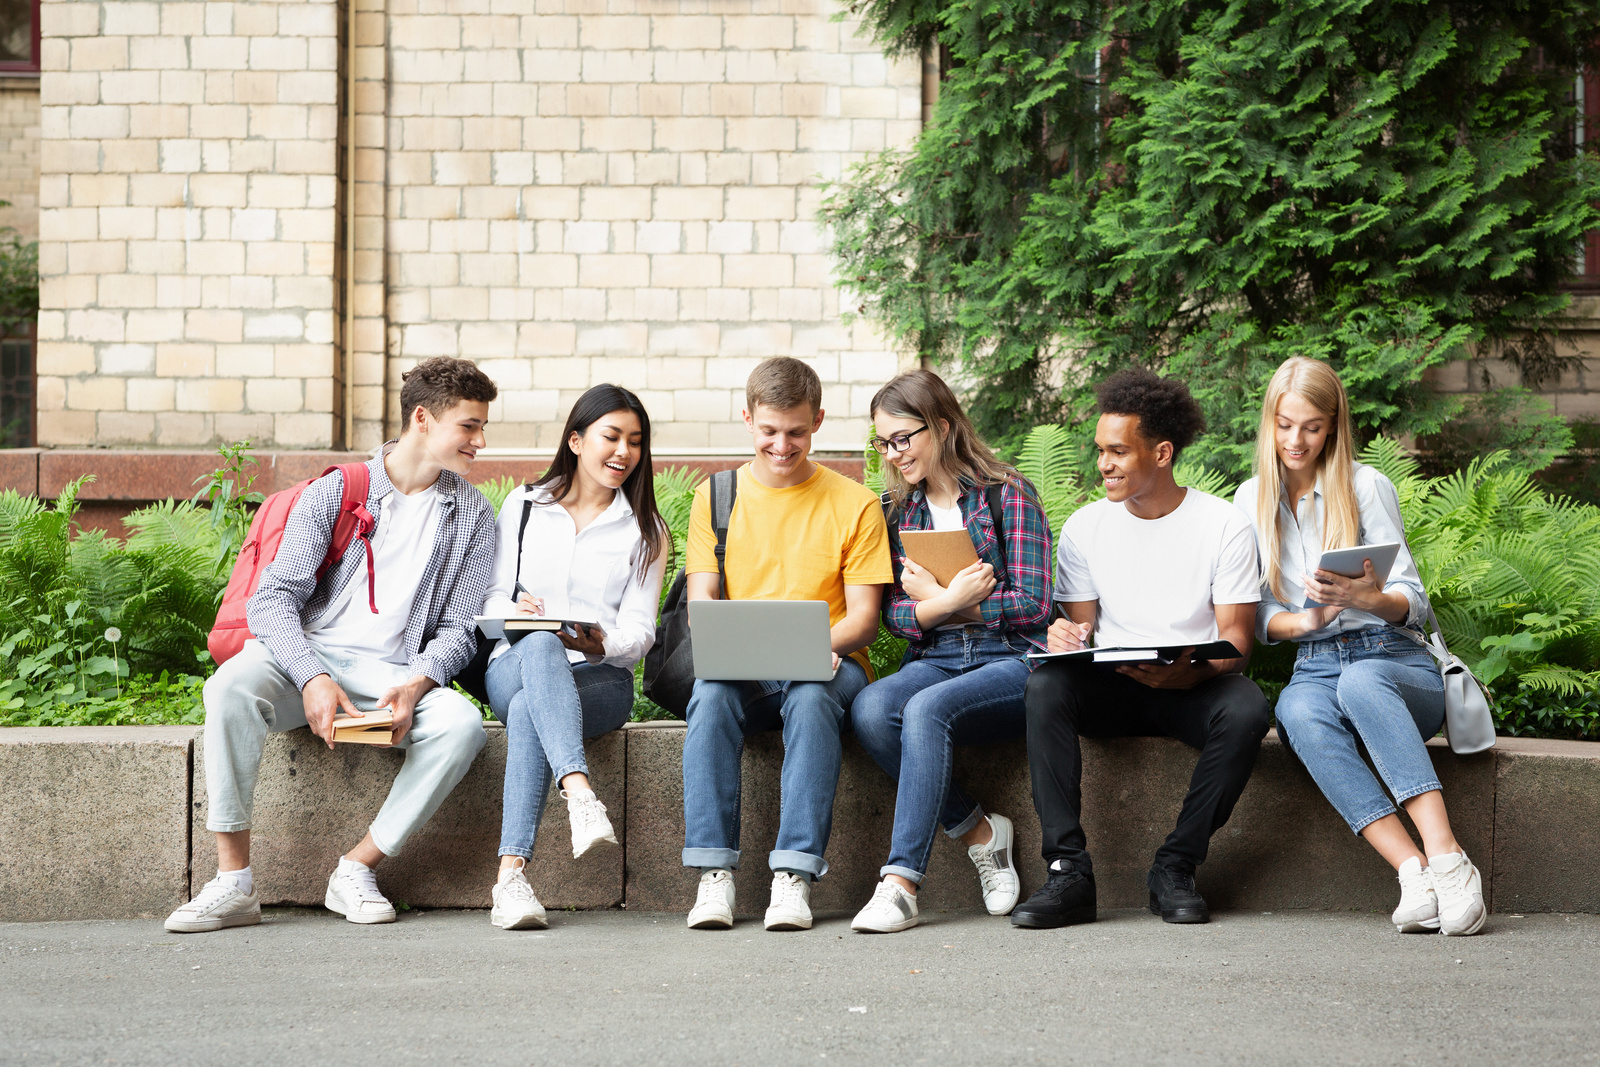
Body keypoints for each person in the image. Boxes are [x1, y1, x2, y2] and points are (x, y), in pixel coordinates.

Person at [165, 357, 500, 933]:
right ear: (422, 418)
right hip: (306, 654)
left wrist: (418, 683)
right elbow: (272, 600)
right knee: (228, 688)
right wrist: (310, 676)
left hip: (392, 672)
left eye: (480, 427)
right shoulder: (339, 491)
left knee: (461, 727)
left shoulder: (472, 515)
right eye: (469, 426)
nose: (480, 441)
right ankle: (233, 882)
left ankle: (357, 867)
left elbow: (459, 628)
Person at [1234, 357, 1484, 936]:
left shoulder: (1366, 486)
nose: (1296, 441)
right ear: (1268, 421)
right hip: (1315, 663)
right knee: (1296, 711)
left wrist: (1369, 597)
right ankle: (1412, 870)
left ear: (1334, 426)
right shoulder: (1250, 501)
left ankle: (1449, 857)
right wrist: (1307, 620)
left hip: (1394, 661)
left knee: (1362, 680)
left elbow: (1415, 602)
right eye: (1285, 423)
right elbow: (1258, 613)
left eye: (1312, 427)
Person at [1013, 368, 1268, 929]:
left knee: (1247, 705)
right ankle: (1067, 873)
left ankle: (1175, 867)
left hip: (1192, 684)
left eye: (1119, 451)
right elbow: (1080, 630)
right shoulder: (1085, 527)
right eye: (1100, 450)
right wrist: (1064, 637)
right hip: (1116, 683)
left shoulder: (1223, 525)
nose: (1104, 463)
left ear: (1161, 452)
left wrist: (1186, 675)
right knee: (1047, 684)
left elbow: (1237, 644)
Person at [682, 356, 893, 932]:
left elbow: (865, 620)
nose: (781, 445)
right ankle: (713, 875)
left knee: (811, 695)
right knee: (711, 696)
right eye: (769, 430)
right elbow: (703, 605)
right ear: (747, 419)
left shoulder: (854, 504)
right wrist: (748, 646)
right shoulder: (718, 496)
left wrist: (814, 646)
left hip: (831, 658)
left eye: (796, 432)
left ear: (818, 421)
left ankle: (793, 876)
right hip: (746, 667)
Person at [847, 370, 1052, 934]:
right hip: (937, 658)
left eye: (902, 438)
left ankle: (902, 884)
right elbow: (894, 615)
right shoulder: (898, 511)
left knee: (925, 709)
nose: (892, 453)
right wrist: (942, 607)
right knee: (870, 709)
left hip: (1010, 659)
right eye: (882, 442)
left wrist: (946, 599)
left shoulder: (1006, 494)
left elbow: (1035, 605)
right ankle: (981, 832)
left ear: (940, 426)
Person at [478, 384, 669, 931]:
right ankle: (580, 793)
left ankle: (510, 880)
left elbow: (640, 630)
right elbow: (488, 597)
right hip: (513, 664)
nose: (623, 452)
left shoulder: (645, 530)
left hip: (599, 679)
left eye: (635, 441)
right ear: (576, 439)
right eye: (611, 436)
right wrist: (516, 606)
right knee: (539, 640)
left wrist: (599, 642)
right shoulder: (524, 506)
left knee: (526, 714)